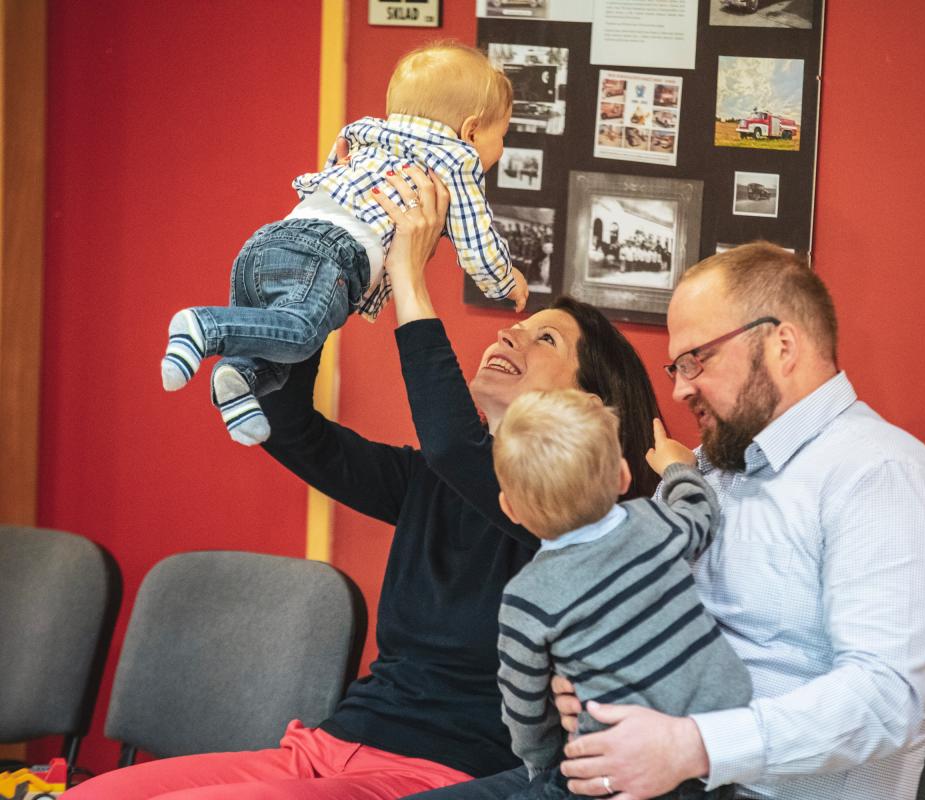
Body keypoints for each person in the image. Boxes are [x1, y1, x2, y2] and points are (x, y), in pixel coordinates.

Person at [66, 171, 659, 797]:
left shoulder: (580, 520)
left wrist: (408, 275)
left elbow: (453, 445)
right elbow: (290, 429)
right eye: (522, 324)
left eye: (547, 339)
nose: (509, 332)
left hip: (434, 777)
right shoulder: (429, 480)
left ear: (590, 401)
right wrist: (327, 285)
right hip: (321, 750)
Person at [540, 243, 925, 800]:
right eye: (677, 367)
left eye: (696, 359)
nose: (680, 388)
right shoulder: (717, 468)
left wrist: (689, 746)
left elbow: (883, 702)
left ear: (781, 345)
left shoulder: (882, 476)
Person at [159, 41, 528, 446]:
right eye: (502, 136)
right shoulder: (458, 159)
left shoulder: (365, 131)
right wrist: (504, 281)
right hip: (328, 255)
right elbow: (476, 241)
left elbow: (333, 174)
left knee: (275, 354)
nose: (501, 148)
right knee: (301, 334)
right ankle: (204, 327)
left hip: (270, 240)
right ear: (471, 131)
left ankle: (238, 388)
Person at [491, 389, 753, 800]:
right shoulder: (654, 522)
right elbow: (702, 513)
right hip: (714, 746)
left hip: (616, 764)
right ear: (623, 476)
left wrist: (540, 762)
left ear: (510, 508)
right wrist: (678, 469)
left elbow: (524, 704)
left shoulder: (526, 599)